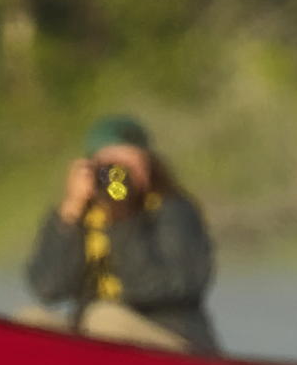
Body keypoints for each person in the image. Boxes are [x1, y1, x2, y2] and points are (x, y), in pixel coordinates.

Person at [20, 114, 218, 352]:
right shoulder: (82, 215)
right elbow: (48, 288)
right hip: (97, 334)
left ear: (149, 168)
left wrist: (122, 219)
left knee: (105, 319)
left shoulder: (173, 211)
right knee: (30, 321)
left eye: (129, 167)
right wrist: (69, 214)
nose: (119, 179)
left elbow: (160, 286)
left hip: (173, 340)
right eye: (109, 168)